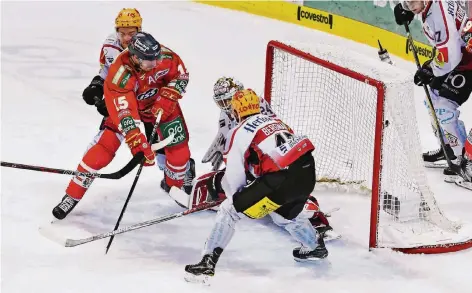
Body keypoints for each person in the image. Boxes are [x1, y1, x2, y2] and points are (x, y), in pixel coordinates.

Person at [184, 89, 328, 284]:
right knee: (283, 213)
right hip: (307, 173)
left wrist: (237, 199)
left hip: (280, 180)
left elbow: (234, 178)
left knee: (229, 210)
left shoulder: (238, 131)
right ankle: (314, 246)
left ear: (235, 112)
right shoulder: (276, 122)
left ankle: (207, 262)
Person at [52, 31, 194, 220]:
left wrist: (168, 96)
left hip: (160, 104)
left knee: (179, 151)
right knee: (101, 151)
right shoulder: (120, 75)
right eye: (148, 60)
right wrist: (137, 142)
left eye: (156, 58)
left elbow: (181, 75)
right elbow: (125, 113)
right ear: (135, 58)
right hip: (128, 107)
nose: (155, 63)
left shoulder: (164, 56)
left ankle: (174, 185)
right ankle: (72, 195)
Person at [197, 77, 337, 236]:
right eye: (221, 102)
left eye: (228, 100)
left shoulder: (256, 105)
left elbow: (274, 133)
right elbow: (230, 136)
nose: (226, 106)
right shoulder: (228, 113)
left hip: (275, 158)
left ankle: (315, 219)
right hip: (258, 157)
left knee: (284, 189)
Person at [394, 0, 471, 183]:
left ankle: (464, 162)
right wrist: (406, 8)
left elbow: (451, 56)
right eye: (407, 2)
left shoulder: (438, 16)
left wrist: (432, 69)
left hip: (466, 63)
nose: (411, 6)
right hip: (458, 55)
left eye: (413, 2)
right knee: (432, 99)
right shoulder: (430, 6)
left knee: (443, 107)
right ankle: (450, 149)